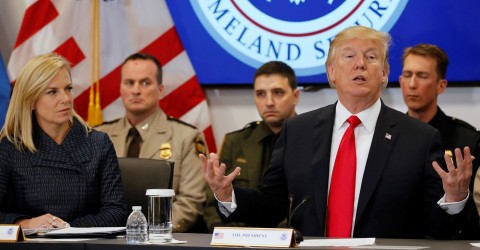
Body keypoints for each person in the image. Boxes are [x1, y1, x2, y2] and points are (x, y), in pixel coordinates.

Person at [201, 26, 473, 239]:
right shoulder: (298, 131)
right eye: (349, 56)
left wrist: (454, 198)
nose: (360, 64)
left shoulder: (420, 138)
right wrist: (229, 196)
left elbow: (437, 228)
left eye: (371, 57)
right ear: (331, 72)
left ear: (385, 73)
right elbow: (272, 206)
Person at [0, 53, 128, 229]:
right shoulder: (11, 147)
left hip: (85, 244)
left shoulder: (98, 143)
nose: (66, 99)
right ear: (30, 101)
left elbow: (117, 211)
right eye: (52, 92)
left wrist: (68, 229)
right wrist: (28, 223)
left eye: (68, 88)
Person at [95, 53, 207, 233]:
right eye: (129, 83)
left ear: (160, 89)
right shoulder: (99, 135)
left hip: (161, 240)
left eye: (145, 83)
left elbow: (190, 202)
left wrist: (148, 232)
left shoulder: (186, 137)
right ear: (120, 88)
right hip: (106, 237)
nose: (136, 90)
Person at [203, 61, 300, 232]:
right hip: (240, 241)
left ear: (296, 96)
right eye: (261, 94)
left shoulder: (311, 140)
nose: (269, 102)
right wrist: (229, 236)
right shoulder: (236, 142)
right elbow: (214, 203)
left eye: (278, 93)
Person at [399, 43, 480, 238]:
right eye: (407, 75)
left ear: (441, 86)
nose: (412, 84)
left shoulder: (468, 141)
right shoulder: (385, 136)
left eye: (422, 76)